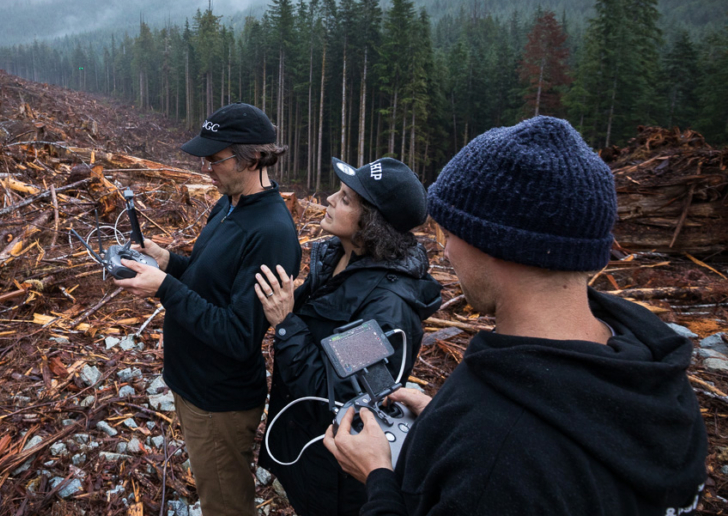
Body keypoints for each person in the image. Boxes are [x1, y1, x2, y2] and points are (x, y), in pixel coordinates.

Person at [323, 116, 709, 516]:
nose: (447, 251)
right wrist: (445, 421)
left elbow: (507, 455)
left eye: (451, 233)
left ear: (492, 242)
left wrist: (380, 479)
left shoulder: (494, 453)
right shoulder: (655, 372)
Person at [115, 102, 302, 516]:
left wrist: (164, 287)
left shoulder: (271, 233)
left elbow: (238, 336)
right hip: (193, 385)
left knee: (225, 506)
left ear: (250, 157)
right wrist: (168, 261)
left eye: (214, 159)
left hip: (220, 402)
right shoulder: (229, 204)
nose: (206, 169)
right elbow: (207, 280)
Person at [254, 157, 441, 516]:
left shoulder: (387, 307)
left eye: (344, 198)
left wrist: (285, 322)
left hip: (334, 472)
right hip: (303, 444)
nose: (328, 200)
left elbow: (337, 394)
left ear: (371, 223)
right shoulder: (337, 257)